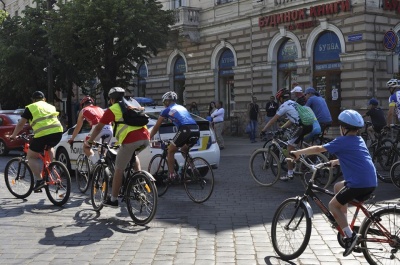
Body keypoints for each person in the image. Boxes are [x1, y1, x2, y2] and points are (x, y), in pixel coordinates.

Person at [290, 109, 377, 257]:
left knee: (332, 205)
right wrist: (333, 163)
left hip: (358, 183)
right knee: (337, 186)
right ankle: (345, 226)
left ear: (344, 128)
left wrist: (298, 153)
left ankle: (350, 237)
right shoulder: (359, 140)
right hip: (370, 181)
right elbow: (355, 157)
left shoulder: (342, 141)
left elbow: (319, 149)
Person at [86, 87, 150, 208]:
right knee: (133, 155)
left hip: (131, 140)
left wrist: (90, 141)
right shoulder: (132, 103)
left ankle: (114, 200)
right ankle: (139, 178)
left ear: (111, 99)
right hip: (145, 138)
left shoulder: (113, 109)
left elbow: (99, 127)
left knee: (118, 169)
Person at [10, 91, 63, 192]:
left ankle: (39, 180)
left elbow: (21, 123)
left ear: (33, 100)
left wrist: (13, 135)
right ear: (44, 99)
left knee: (31, 156)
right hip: (58, 132)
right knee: (49, 147)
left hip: (43, 134)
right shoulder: (50, 106)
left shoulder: (31, 107)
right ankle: (50, 167)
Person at [260, 88, 314, 180]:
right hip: (309, 125)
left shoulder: (284, 106)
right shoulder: (293, 103)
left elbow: (273, 120)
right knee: (297, 146)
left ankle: (290, 173)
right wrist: (283, 128)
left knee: (289, 147)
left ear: (280, 99)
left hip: (301, 127)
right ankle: (302, 163)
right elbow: (292, 119)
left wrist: (263, 130)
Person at [150, 91, 200, 180]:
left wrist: (149, 137)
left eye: (164, 102)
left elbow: (156, 127)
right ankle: (193, 169)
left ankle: (171, 175)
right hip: (196, 129)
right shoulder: (181, 107)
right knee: (184, 150)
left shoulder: (166, 110)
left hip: (185, 129)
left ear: (167, 101)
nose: (164, 104)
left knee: (170, 150)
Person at [68, 96, 113, 164]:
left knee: (86, 147)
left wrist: (72, 138)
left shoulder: (84, 110)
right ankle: (104, 169)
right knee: (102, 151)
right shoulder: (100, 109)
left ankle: (96, 164)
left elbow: (78, 127)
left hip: (97, 128)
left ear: (83, 105)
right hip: (109, 128)